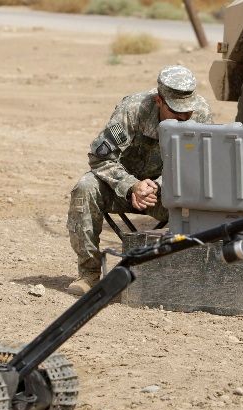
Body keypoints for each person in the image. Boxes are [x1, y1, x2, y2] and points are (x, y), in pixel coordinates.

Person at [66, 65, 213, 296]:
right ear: (159, 101)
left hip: (170, 193)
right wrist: (131, 185)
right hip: (123, 188)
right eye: (176, 111)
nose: (184, 117)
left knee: (208, 198)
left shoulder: (202, 114)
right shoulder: (133, 110)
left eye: (188, 111)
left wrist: (160, 184)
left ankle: (190, 278)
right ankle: (89, 275)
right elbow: (100, 158)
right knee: (86, 187)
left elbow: (200, 164)